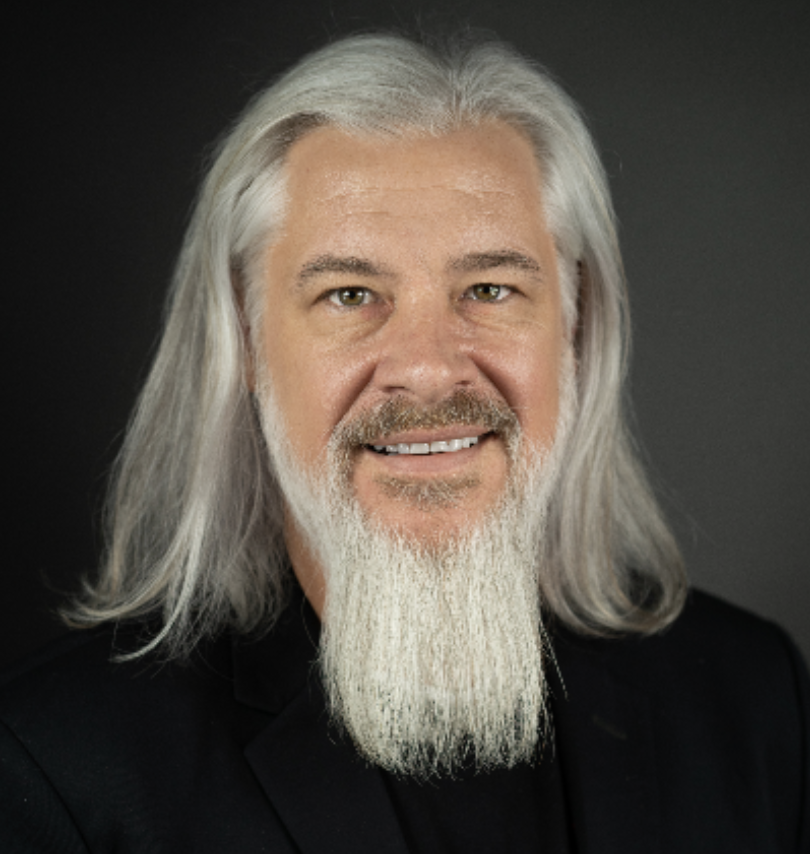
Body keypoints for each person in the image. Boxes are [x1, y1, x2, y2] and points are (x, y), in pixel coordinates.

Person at [1, 31, 807, 853]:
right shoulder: (58, 771)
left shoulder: (751, 698)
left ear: (577, 330)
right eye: (351, 294)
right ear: (244, 344)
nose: (427, 369)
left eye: (490, 289)